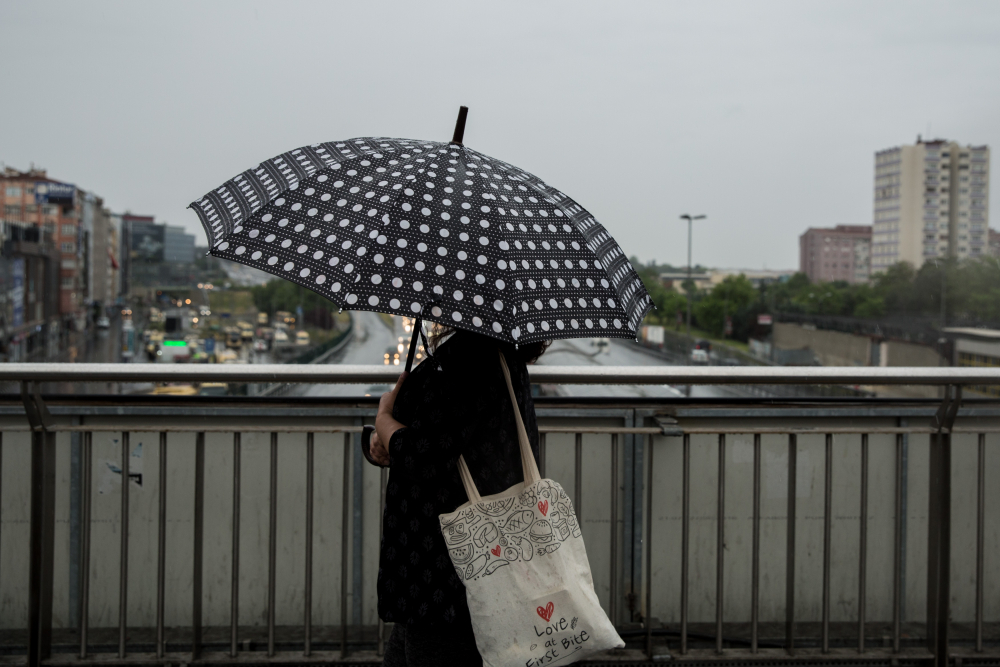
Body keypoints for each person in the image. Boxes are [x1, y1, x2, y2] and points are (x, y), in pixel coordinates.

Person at [368, 325, 548, 667]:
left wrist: (384, 419)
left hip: (446, 567)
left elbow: (425, 456)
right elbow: (450, 440)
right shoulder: (501, 353)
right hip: (469, 558)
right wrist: (389, 432)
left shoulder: (470, 357)